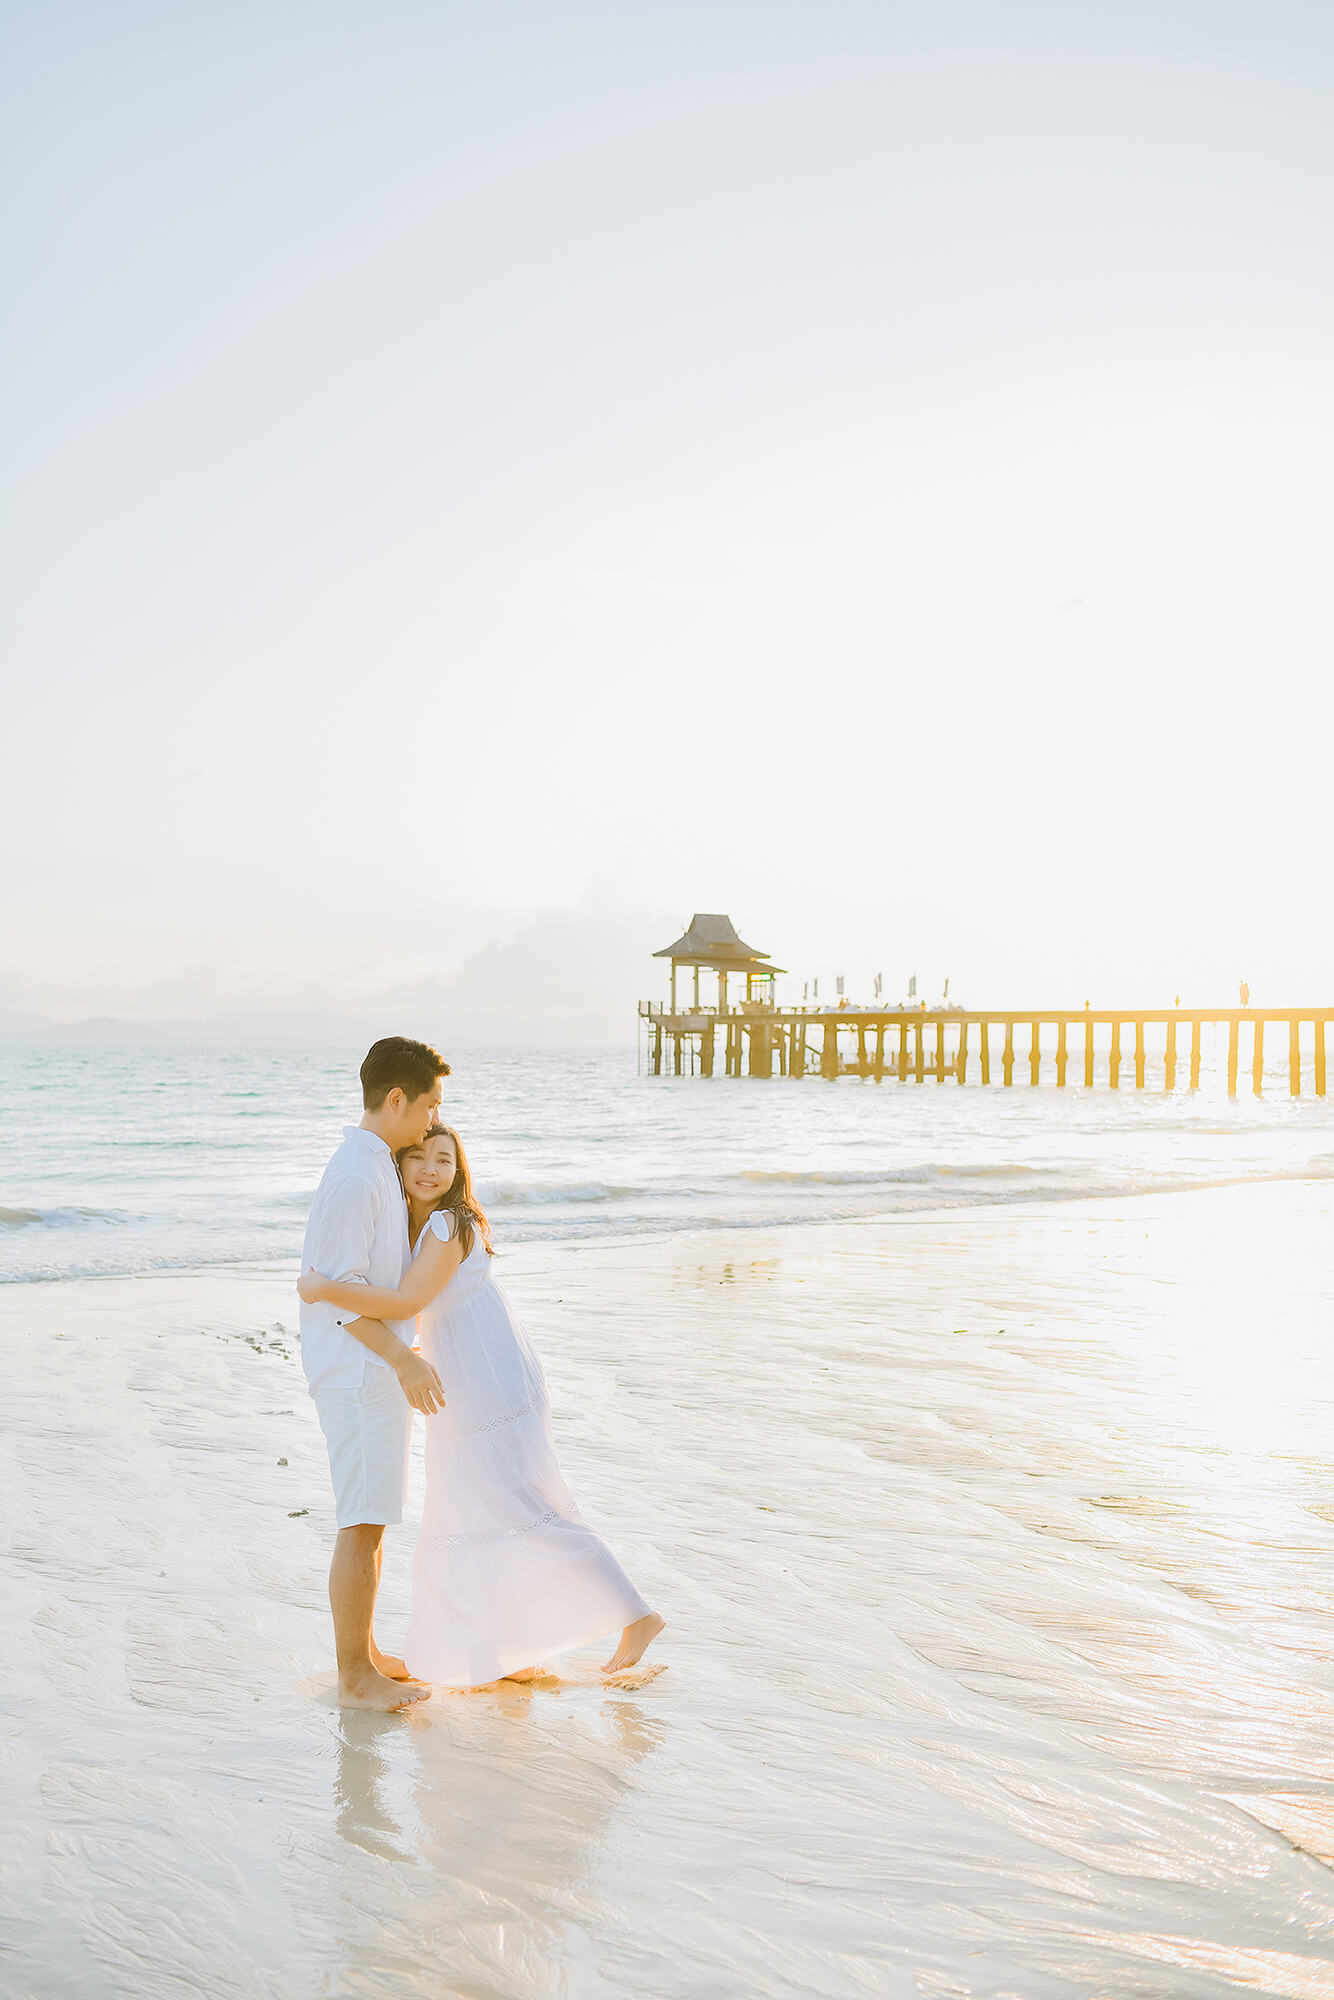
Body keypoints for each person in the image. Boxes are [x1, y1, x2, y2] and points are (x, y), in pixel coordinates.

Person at [299, 1124, 664, 1688]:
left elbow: (408, 1300)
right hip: (469, 1381)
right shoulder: (423, 1228)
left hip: (491, 1385)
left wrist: (324, 1289)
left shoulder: (448, 1224)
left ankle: (635, 1614)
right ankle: (498, 1651)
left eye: (443, 1160)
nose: (428, 1168)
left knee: (522, 1502)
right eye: (416, 1156)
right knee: (477, 1510)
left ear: (458, 1173)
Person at [300, 1036, 450, 1710]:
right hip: (358, 1371)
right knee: (360, 1521)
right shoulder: (357, 1176)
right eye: (428, 1107)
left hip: (372, 1371)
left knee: (374, 1516)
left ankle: (365, 1654)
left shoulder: (377, 1166)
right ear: (396, 1099)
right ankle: (353, 1675)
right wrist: (403, 1359)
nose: (430, 1122)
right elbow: (335, 1298)